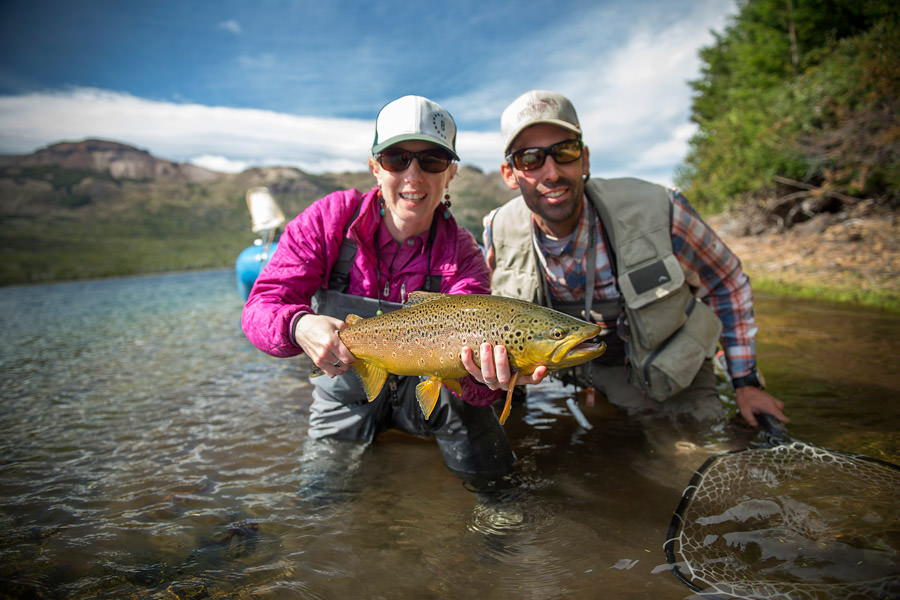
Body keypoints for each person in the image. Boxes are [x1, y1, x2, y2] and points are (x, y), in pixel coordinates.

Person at [464, 90, 787, 427]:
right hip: (570, 367)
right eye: (530, 159)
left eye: (564, 152)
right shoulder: (496, 230)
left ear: (584, 159)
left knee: (691, 455)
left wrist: (745, 383)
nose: (551, 172)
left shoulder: (660, 209)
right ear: (509, 173)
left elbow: (726, 283)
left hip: (666, 369)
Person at [241, 95, 514, 486]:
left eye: (432, 160)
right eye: (397, 159)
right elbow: (262, 305)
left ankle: (497, 518)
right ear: (375, 167)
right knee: (319, 500)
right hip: (347, 391)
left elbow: (478, 390)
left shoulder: (464, 256)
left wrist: (489, 379)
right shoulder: (328, 220)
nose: (414, 176)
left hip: (431, 399)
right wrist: (299, 326)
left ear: (450, 173)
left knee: (498, 487)